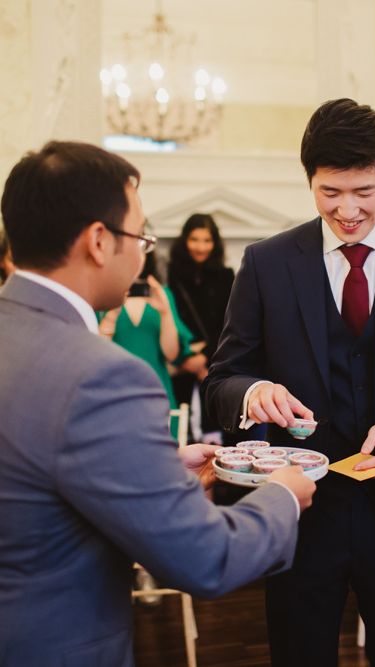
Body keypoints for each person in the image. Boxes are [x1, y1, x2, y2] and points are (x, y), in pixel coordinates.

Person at [0, 141, 315, 666]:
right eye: (140, 236)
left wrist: (153, 474)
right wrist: (281, 495)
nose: (145, 252)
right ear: (99, 241)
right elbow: (205, 560)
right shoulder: (103, 375)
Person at [204, 98, 375, 667]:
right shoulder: (267, 263)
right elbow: (223, 380)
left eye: (364, 192)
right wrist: (254, 393)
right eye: (330, 192)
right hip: (299, 512)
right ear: (309, 180)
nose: (348, 210)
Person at [99, 250, 196, 414]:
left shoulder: (162, 294)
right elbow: (96, 355)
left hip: (156, 391)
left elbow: (172, 355)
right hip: (113, 392)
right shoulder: (103, 292)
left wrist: (165, 313)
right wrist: (111, 316)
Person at [168, 213, 235, 439]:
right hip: (180, 359)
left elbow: (230, 323)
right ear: (185, 240)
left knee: (216, 427)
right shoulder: (171, 275)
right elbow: (170, 318)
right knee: (180, 424)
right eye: (195, 239)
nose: (201, 247)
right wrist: (187, 356)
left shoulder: (226, 277)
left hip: (213, 361)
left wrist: (204, 359)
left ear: (215, 243)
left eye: (207, 240)